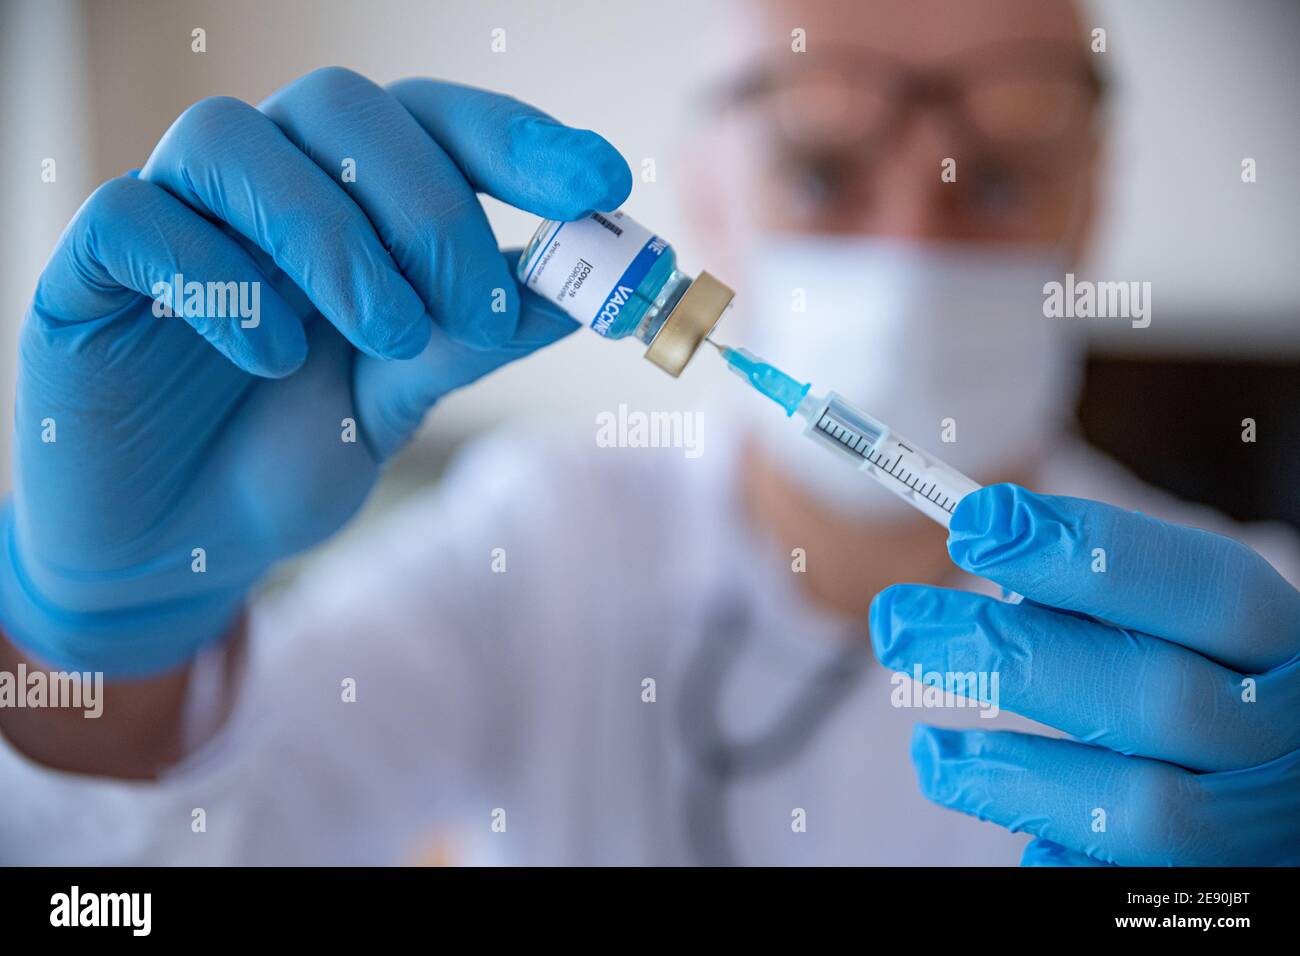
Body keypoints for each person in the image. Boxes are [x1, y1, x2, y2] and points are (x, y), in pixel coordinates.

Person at [1, 0, 1297, 866]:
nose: (912, 240)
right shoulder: (537, 541)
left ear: (1093, 209)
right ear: (709, 193)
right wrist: (97, 660)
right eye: (822, 168)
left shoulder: (1254, 656)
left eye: (1002, 179)